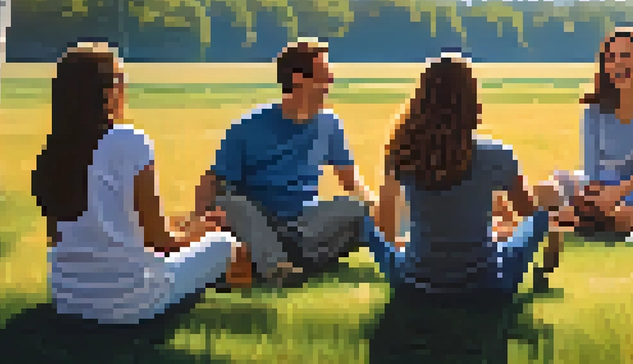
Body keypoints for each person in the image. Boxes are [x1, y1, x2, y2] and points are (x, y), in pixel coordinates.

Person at [33, 42, 242, 324]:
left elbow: (67, 236)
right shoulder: (128, 140)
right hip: (130, 301)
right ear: (107, 93)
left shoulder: (52, 153)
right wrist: (202, 230)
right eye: (121, 79)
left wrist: (185, 227)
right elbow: (161, 242)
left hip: (67, 298)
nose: (125, 89)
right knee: (223, 244)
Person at [366, 52, 566, 297]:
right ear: (472, 102)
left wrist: (404, 246)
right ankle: (545, 263)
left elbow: (385, 226)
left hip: (414, 284)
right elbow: (527, 215)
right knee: (545, 206)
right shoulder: (498, 155)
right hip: (486, 285)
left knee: (365, 223)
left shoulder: (402, 152)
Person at [192, 38, 376, 287]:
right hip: (261, 222)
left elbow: (352, 183)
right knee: (230, 203)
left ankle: (282, 260)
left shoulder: (330, 124)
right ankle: (277, 268)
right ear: (298, 79)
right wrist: (197, 225)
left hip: (306, 225)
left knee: (357, 207)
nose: (330, 82)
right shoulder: (247, 127)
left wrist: (378, 211)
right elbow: (211, 182)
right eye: (324, 76)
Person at [538, 28, 633, 237]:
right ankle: (586, 219)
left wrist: (619, 191)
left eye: (625, 55)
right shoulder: (593, 110)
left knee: (625, 215)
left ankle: (577, 221)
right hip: (604, 185)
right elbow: (591, 170)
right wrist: (595, 196)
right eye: (611, 58)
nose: (618, 63)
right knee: (545, 190)